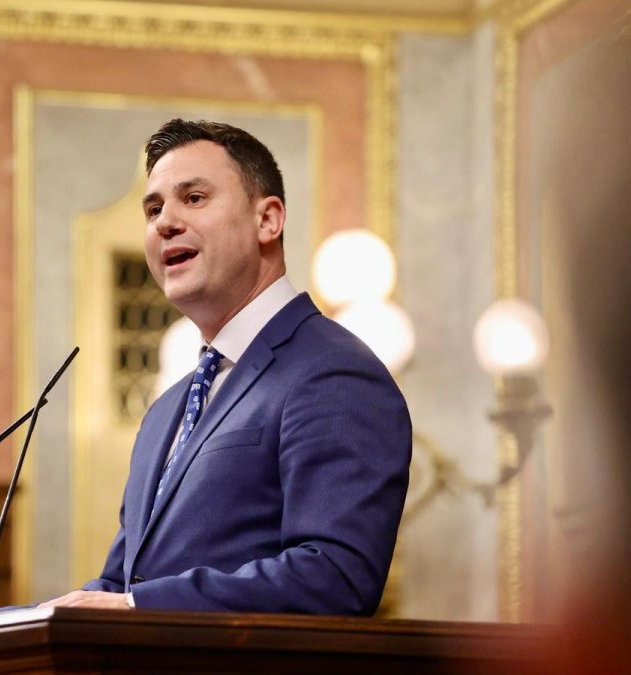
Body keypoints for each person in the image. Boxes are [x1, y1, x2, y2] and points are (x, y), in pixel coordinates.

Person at [40, 119, 411, 615]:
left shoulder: (335, 373)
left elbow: (333, 578)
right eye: (153, 209)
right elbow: (122, 582)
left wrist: (140, 608)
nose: (164, 222)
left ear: (268, 221)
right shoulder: (166, 410)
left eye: (193, 198)